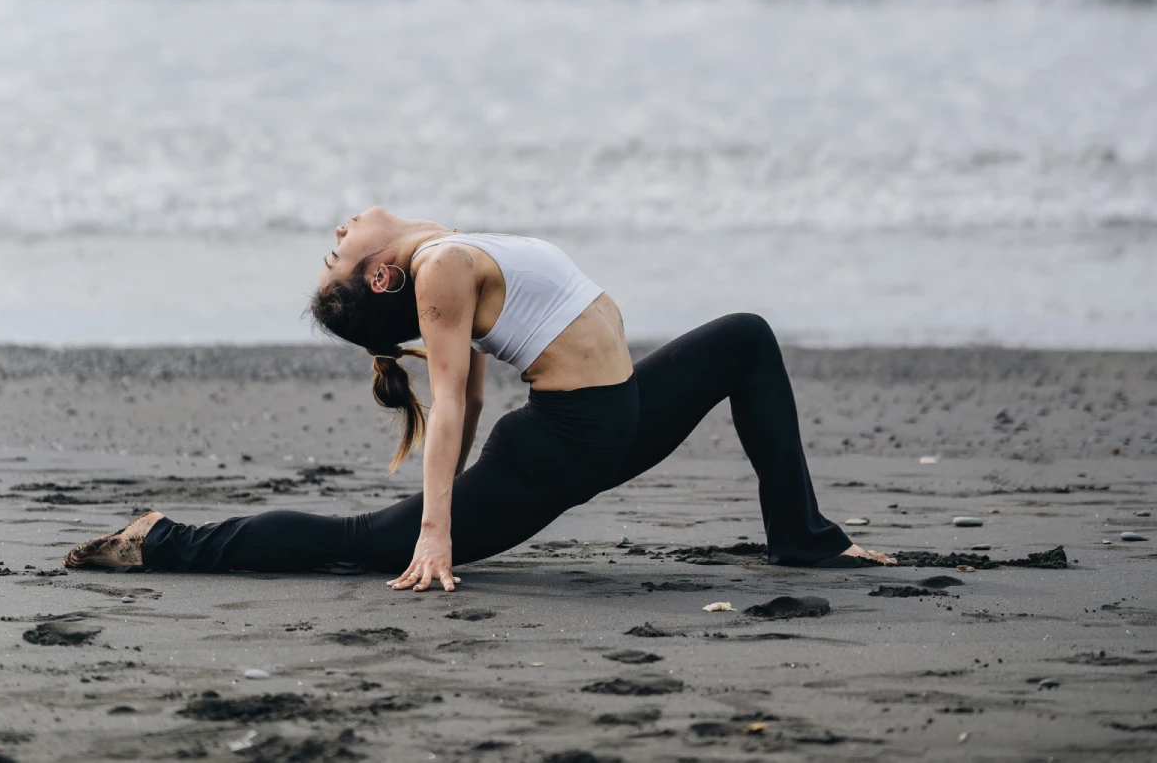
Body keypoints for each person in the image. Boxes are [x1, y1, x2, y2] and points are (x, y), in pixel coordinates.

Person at [64, 208, 893, 590]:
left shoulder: (445, 251)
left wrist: (449, 499)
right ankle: (165, 540)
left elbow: (473, 378)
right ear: (380, 274)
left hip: (623, 412)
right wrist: (437, 530)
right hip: (569, 439)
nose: (342, 226)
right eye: (336, 250)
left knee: (746, 337)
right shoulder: (441, 268)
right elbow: (454, 399)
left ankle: (801, 536)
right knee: (366, 541)